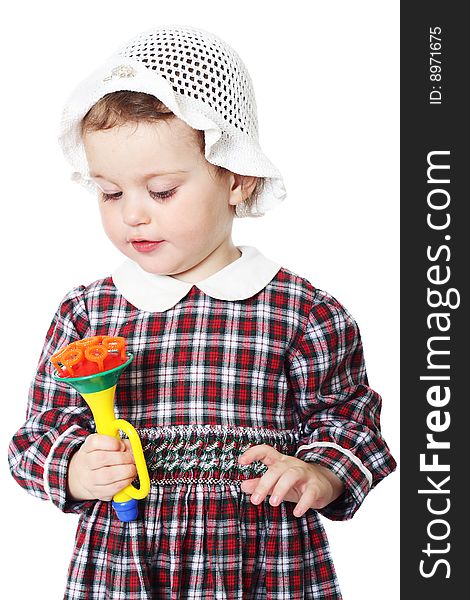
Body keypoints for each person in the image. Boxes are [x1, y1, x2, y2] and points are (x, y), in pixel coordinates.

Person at [8, 24, 396, 600]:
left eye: (161, 190)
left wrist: (319, 472)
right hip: (124, 568)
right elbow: (35, 437)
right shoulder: (87, 313)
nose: (132, 214)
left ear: (236, 177)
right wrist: (71, 466)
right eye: (110, 193)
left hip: (263, 567)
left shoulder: (302, 312)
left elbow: (351, 422)